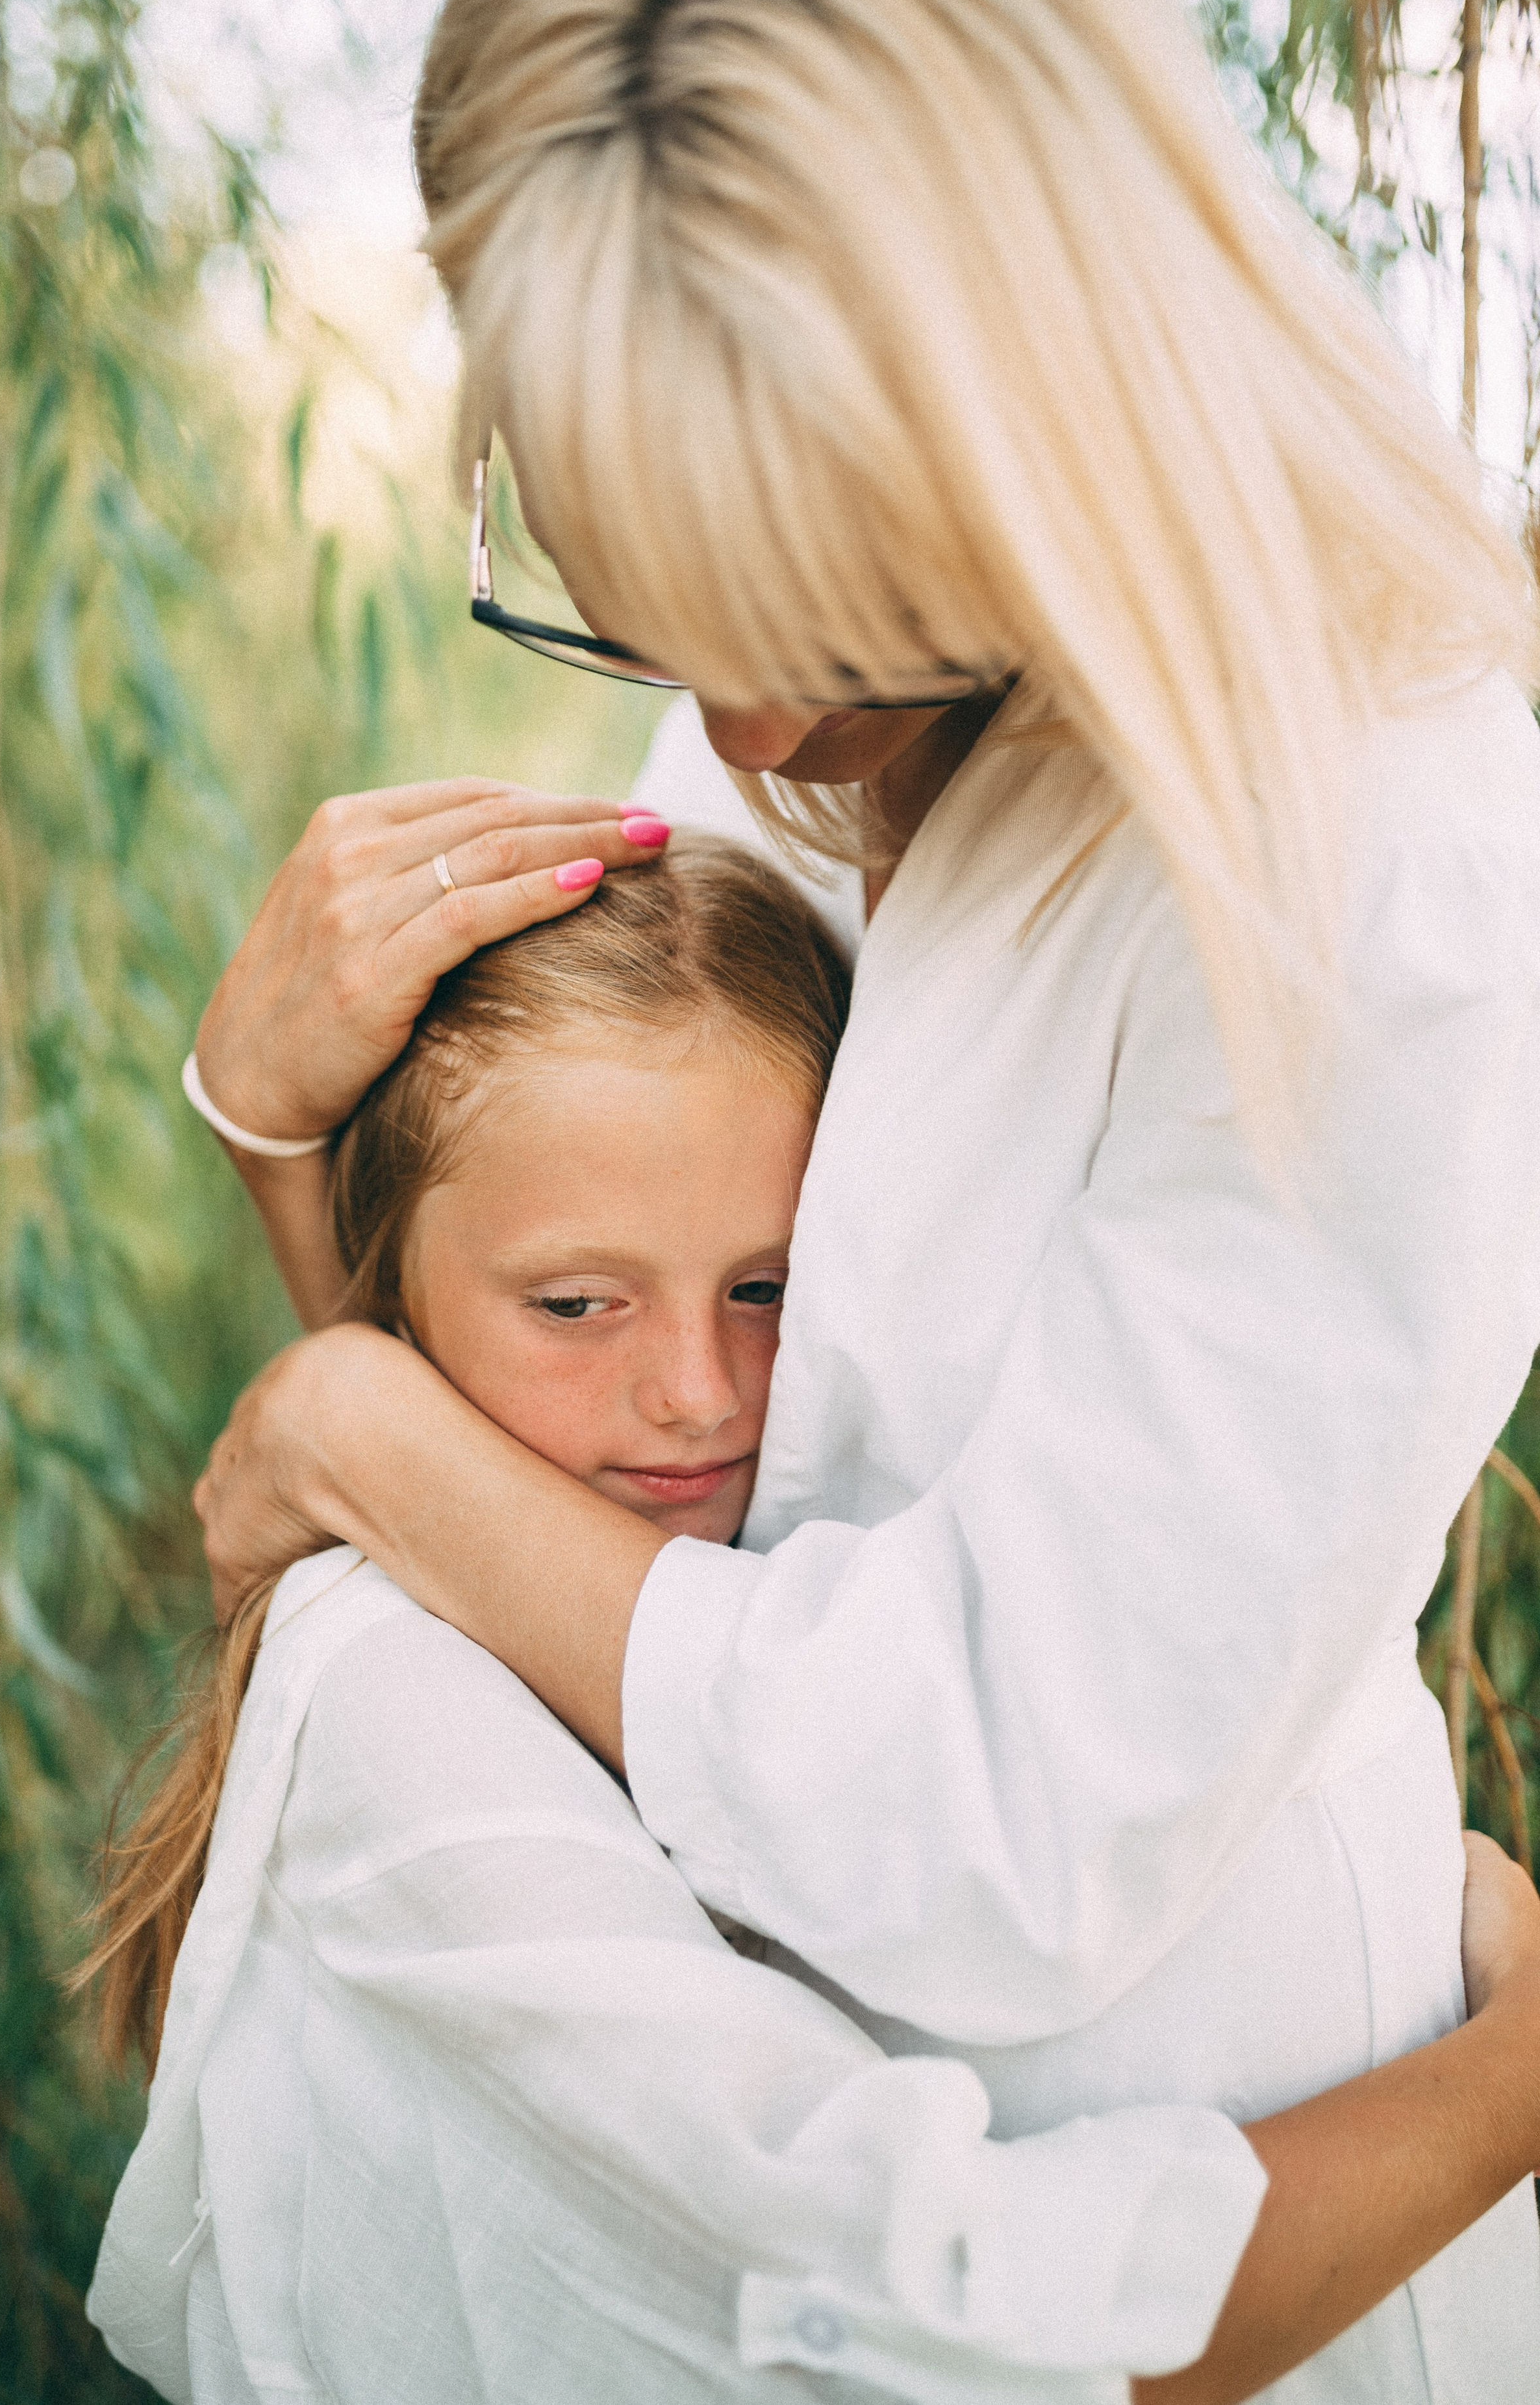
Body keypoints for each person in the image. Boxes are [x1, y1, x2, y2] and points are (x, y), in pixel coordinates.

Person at [186, 0, 1540, 2396]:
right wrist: (289, 1140)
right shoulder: (793, 691)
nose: (737, 720)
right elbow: (589, 1425)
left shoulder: (1382, 847)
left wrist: (360, 1433)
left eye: (833, 615)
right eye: (629, 584)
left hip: (1212, 2170)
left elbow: (979, 1818)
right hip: (759, 2147)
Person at [85, 841, 1283, 2401]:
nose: (698, 1394)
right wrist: (1502, 2085)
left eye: (767, 1287)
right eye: (578, 1304)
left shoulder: (743, 1584)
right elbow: (924, 2333)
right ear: (394, 1298)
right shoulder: (393, 1711)